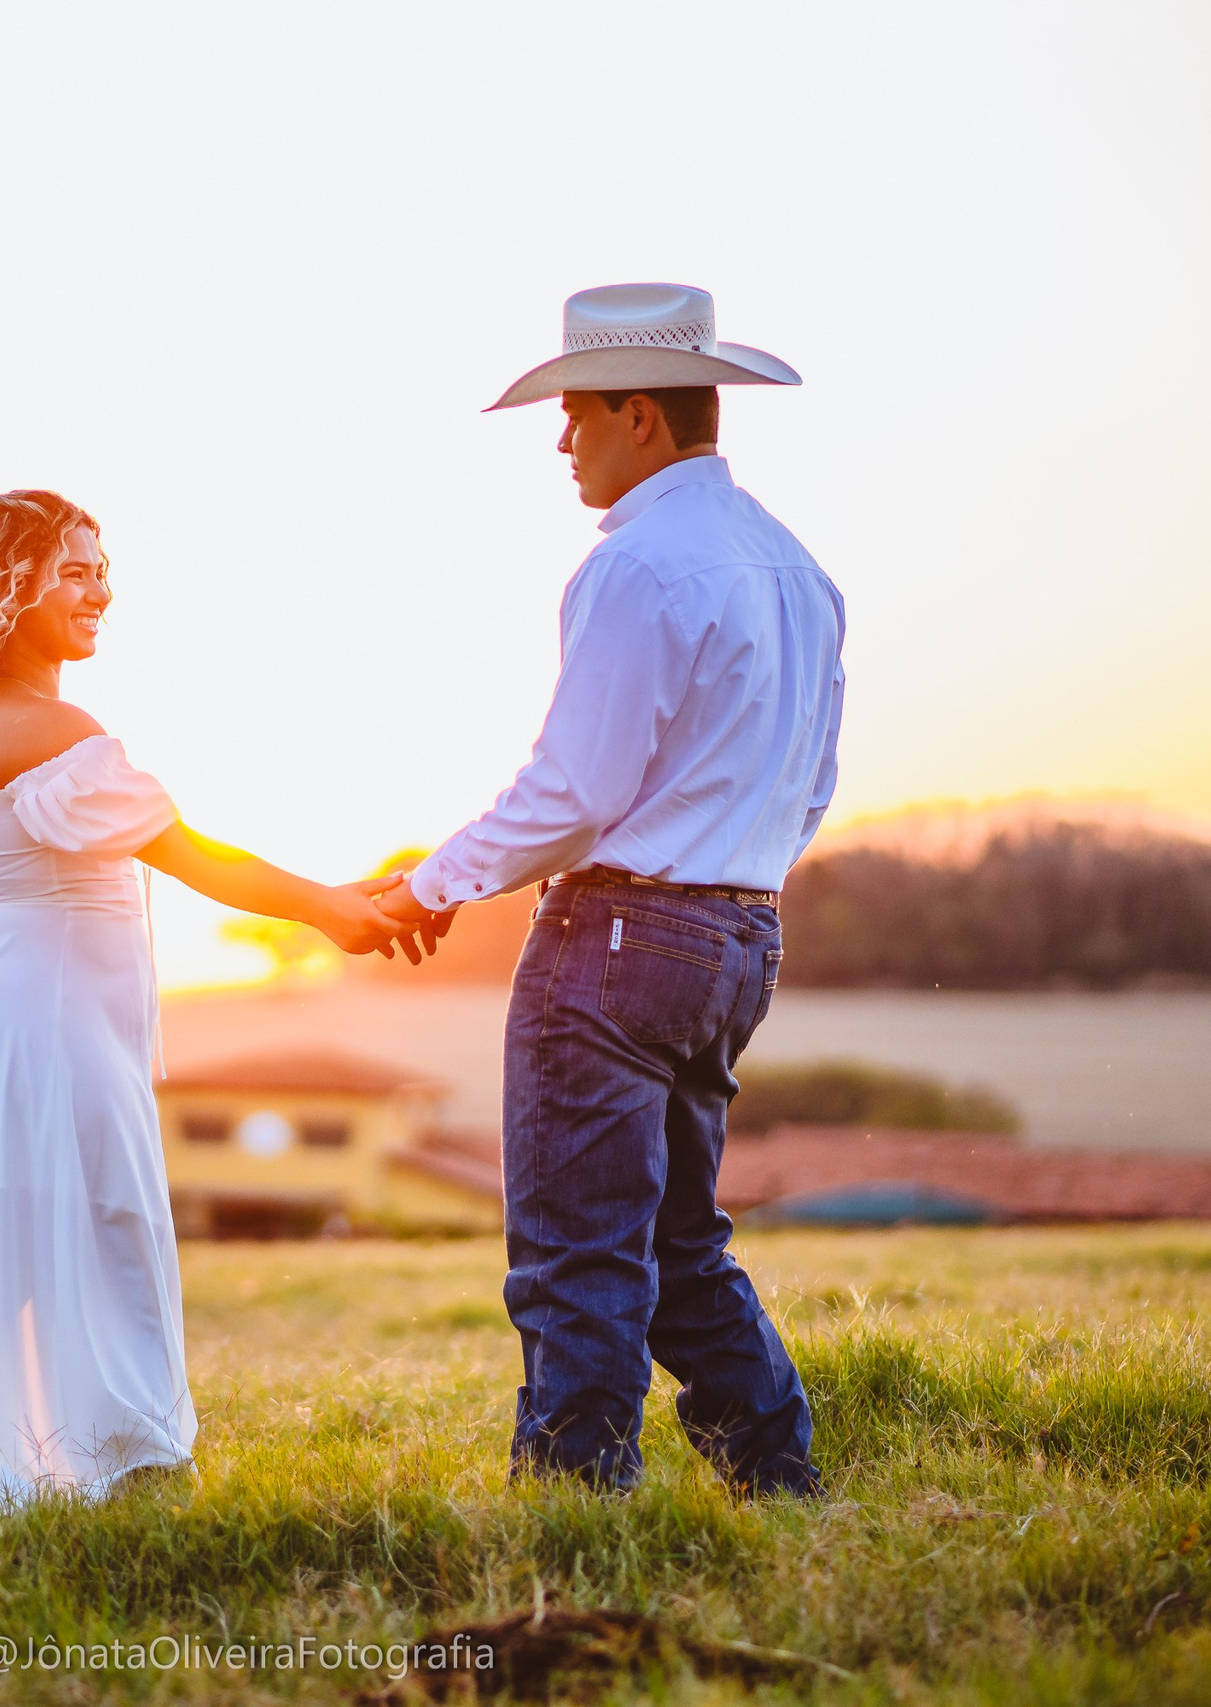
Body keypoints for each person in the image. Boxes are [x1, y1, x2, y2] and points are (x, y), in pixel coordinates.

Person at [0, 488, 425, 1518]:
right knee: (107, 1235)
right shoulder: (57, 728)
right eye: (73, 571)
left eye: (102, 570)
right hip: (45, 1028)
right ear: (9, 588)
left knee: (9, 1258)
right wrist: (328, 910)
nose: (99, 591)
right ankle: (130, 1464)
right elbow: (192, 856)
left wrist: (336, 894)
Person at [376, 283, 846, 1499]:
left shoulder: (635, 565)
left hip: (620, 939)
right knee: (681, 1246)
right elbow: (809, 789)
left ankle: (577, 1513)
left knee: (576, 1253)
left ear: (638, 414)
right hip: (740, 937)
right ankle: (780, 1485)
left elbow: (573, 793)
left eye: (576, 412)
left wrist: (431, 884)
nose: (561, 441)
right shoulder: (799, 570)